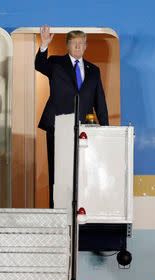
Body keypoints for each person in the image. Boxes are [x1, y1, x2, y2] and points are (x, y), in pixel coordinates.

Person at [35, 24, 109, 208]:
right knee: (57, 170)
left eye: (81, 43)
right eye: (74, 43)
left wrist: (105, 129)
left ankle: (78, 210)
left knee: (81, 171)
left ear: (85, 46)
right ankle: (56, 212)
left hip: (83, 129)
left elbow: (99, 100)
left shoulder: (94, 70)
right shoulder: (56, 63)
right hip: (57, 125)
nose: (78, 47)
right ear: (67, 46)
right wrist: (44, 45)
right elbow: (39, 65)